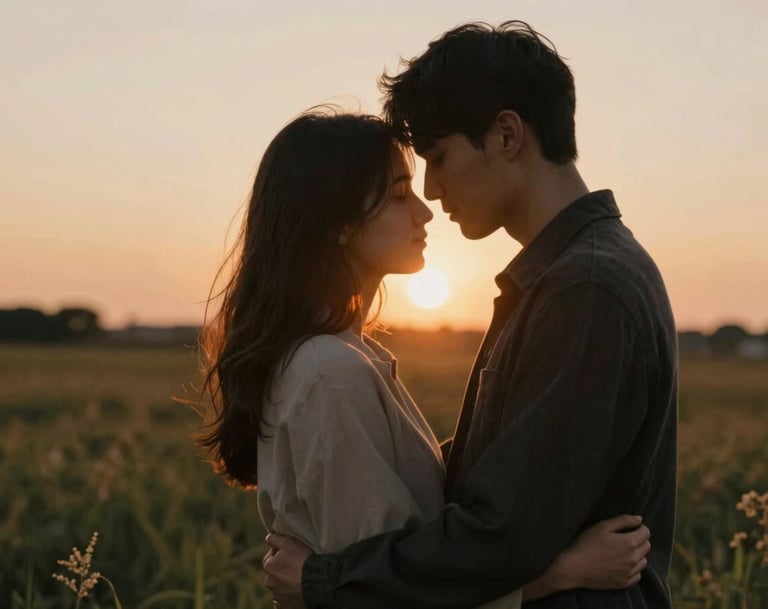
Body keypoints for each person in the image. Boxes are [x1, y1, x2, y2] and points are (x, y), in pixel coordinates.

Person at [263, 20, 678, 609]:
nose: (431, 191)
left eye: (438, 156)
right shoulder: (564, 278)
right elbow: (513, 475)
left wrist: (322, 581)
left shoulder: (584, 287)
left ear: (507, 135)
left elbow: (501, 536)